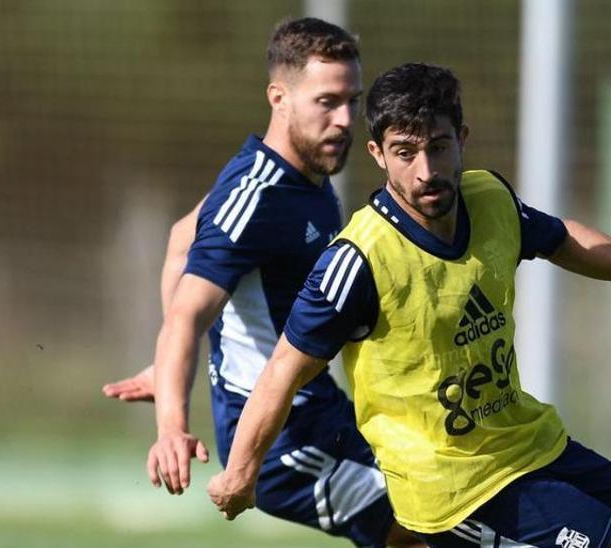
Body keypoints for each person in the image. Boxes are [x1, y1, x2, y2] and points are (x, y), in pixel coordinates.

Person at [208, 62, 611, 548]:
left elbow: (561, 239)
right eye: (406, 152)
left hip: (524, 441)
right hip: (452, 483)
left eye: (438, 147)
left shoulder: (490, 200)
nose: (425, 170)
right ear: (378, 154)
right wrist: (240, 473)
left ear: (462, 139)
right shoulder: (357, 261)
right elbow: (281, 369)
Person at [101, 18, 421, 547]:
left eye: (352, 101)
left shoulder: (301, 178)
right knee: (424, 528)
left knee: (437, 517)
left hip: (321, 412)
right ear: (280, 97)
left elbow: (183, 237)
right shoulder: (257, 195)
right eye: (327, 102)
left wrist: (166, 365)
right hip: (280, 444)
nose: (345, 120)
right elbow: (187, 313)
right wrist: (171, 426)